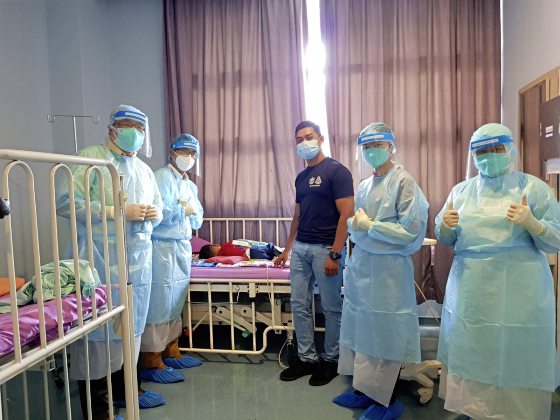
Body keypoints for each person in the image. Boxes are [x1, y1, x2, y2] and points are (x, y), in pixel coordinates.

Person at [435, 123, 560, 420]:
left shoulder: (533, 189)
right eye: (481, 151)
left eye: (495, 149)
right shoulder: (461, 192)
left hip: (519, 290)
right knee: (474, 347)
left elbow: (555, 239)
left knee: (516, 351)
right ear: (473, 156)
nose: (488, 155)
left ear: (509, 150)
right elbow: (446, 237)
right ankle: (475, 409)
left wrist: (533, 224)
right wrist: (444, 227)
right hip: (471, 289)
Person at [56, 104, 165, 419]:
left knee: (129, 331)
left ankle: (125, 394)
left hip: (137, 262)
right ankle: (98, 410)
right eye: (128, 125)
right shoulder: (91, 159)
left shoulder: (144, 170)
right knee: (97, 332)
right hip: (98, 257)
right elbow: (66, 202)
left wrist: (154, 214)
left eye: (140, 128)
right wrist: (115, 211)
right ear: (112, 129)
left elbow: (157, 206)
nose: (135, 133)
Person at [332, 122, 428, 420]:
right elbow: (356, 229)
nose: (372, 151)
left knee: (386, 332)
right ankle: (364, 390)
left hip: (389, 273)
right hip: (363, 266)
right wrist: (361, 229)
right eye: (367, 146)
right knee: (363, 329)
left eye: (378, 145)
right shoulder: (364, 185)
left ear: (390, 146)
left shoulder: (404, 182)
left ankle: (388, 400)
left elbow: (410, 233)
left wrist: (371, 227)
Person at [274, 120, 354, 386]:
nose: (304, 142)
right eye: (299, 139)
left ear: (320, 139)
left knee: (331, 307)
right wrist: (287, 250)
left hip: (325, 249)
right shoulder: (301, 177)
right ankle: (307, 358)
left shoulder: (337, 171)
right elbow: (297, 216)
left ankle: (331, 360)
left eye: (308, 137)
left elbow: (346, 215)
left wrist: (335, 254)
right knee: (299, 304)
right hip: (301, 249)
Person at [141, 134, 204, 383]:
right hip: (162, 246)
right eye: (184, 151)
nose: (188, 157)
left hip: (182, 246)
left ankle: (171, 350)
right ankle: (151, 360)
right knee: (160, 302)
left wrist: (189, 210)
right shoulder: (161, 177)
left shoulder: (190, 185)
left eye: (192, 153)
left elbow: (197, 217)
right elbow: (156, 211)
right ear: (172, 152)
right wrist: (180, 209)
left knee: (175, 301)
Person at [198, 240, 281, 260]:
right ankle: (280, 252)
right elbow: (240, 243)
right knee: (269, 248)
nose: (216, 244)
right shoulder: (225, 245)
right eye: (213, 245)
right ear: (213, 246)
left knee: (268, 256)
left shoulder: (220, 259)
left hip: (252, 257)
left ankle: (275, 256)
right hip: (251, 251)